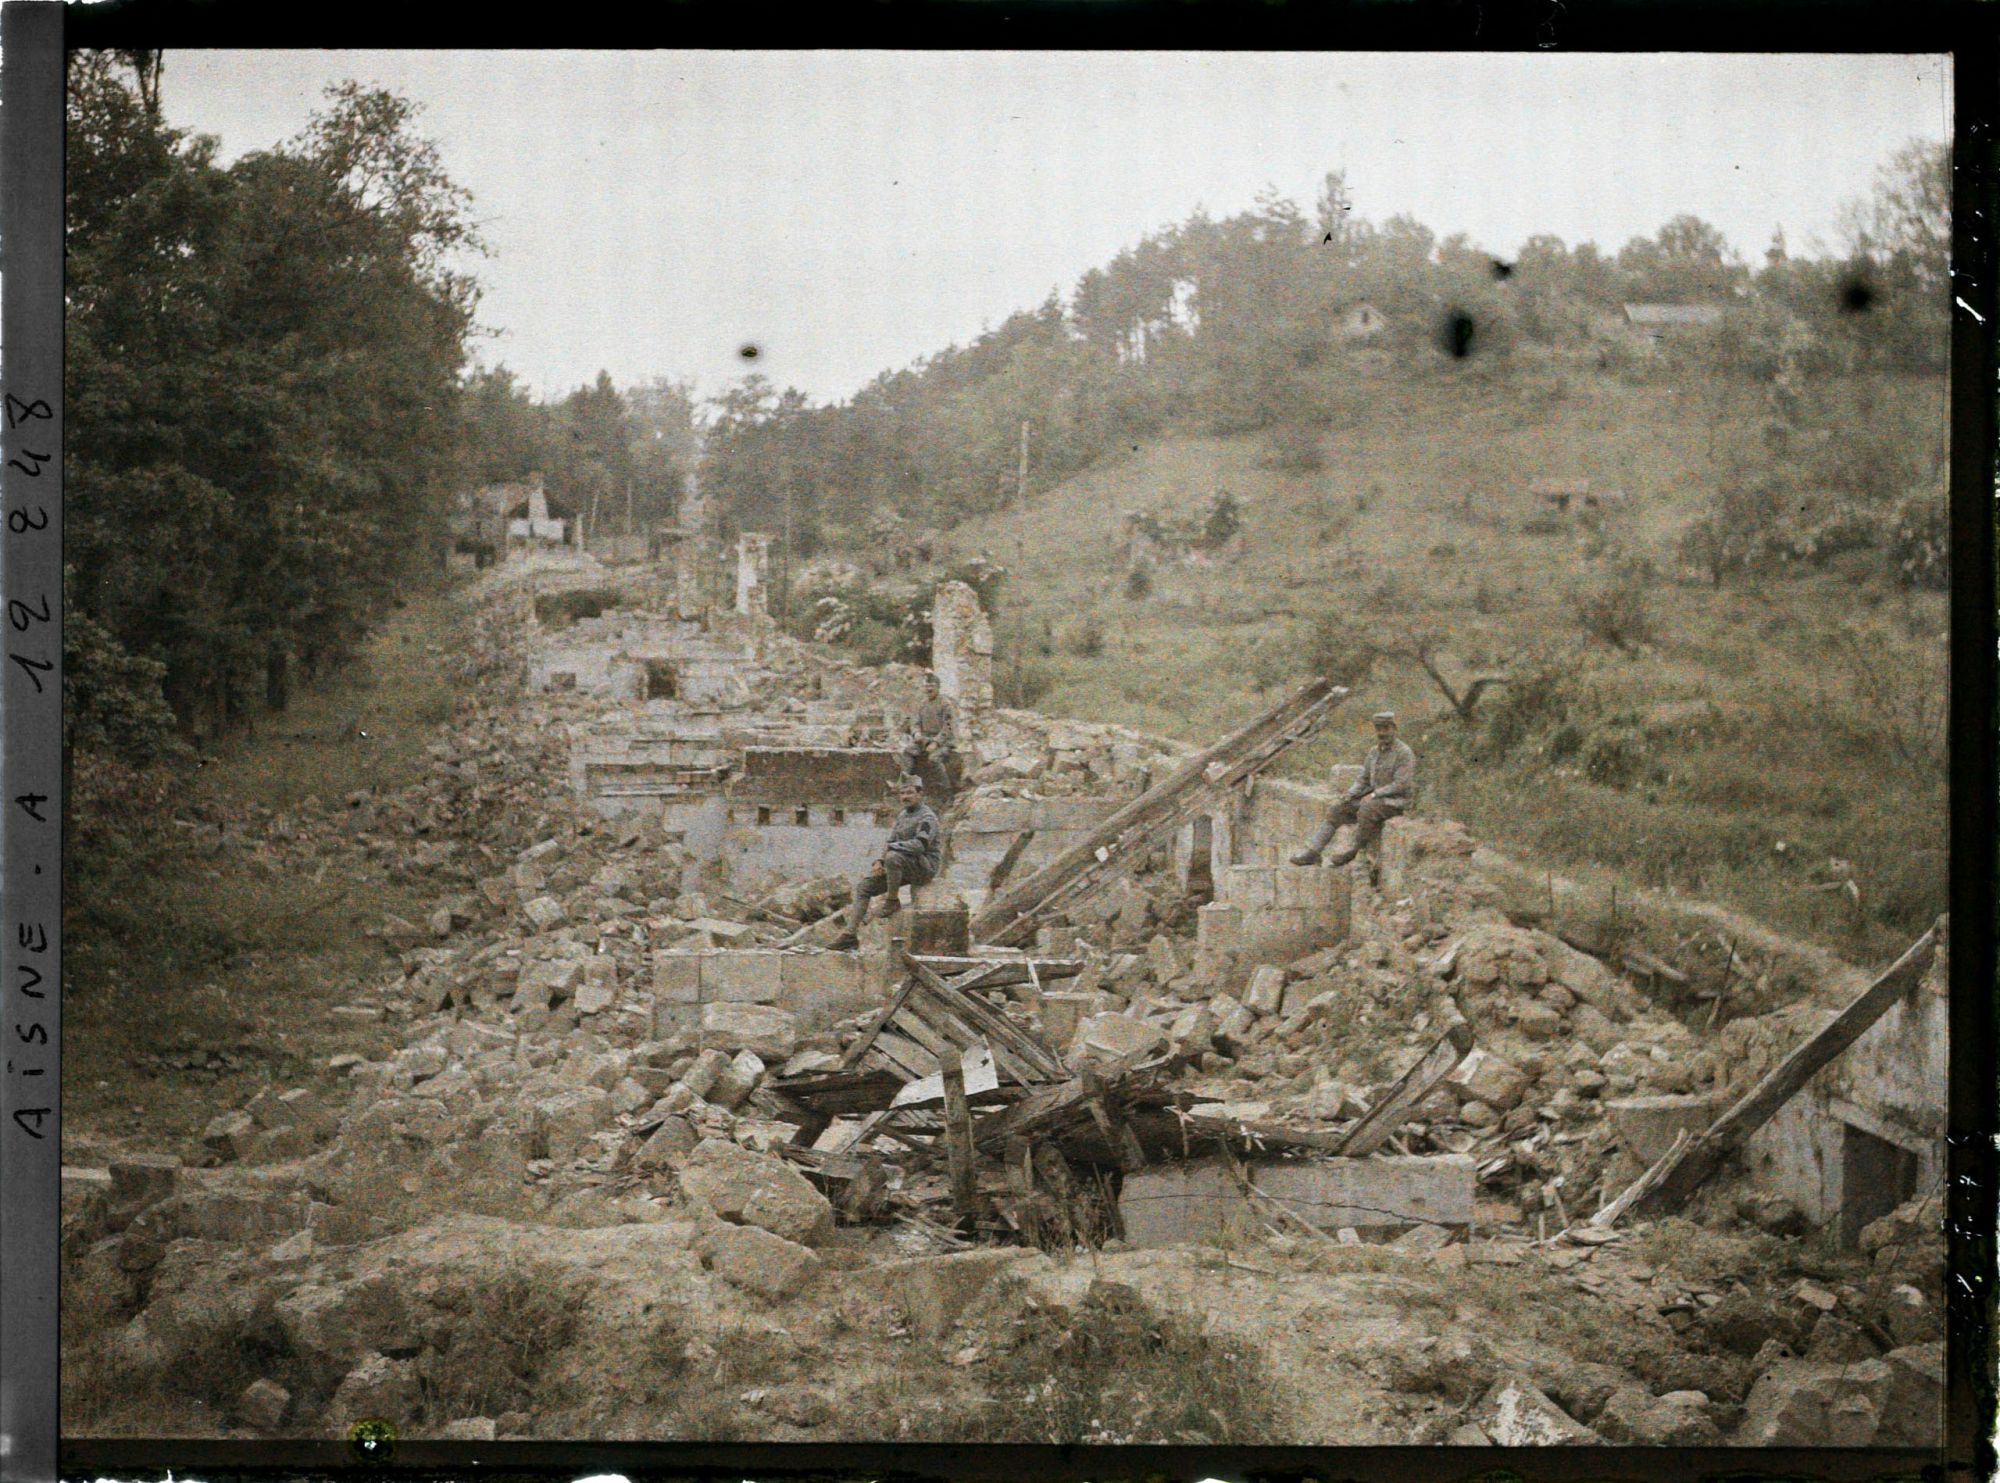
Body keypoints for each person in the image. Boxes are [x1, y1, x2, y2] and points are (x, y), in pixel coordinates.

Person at [832, 774, 943, 949]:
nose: (905, 797)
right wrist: (879, 861)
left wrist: (891, 852)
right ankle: (850, 934)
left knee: (893, 857)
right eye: (902, 793)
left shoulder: (927, 817)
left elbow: (919, 845)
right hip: (902, 865)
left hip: (924, 867)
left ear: (920, 794)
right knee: (864, 887)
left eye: (910, 793)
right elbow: (890, 841)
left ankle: (892, 901)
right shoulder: (903, 815)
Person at [1292, 711, 1415, 867]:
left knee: (1367, 808)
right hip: (1376, 800)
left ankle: (1353, 851)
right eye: (1379, 729)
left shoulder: (1404, 753)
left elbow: (1401, 784)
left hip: (1396, 802)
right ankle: (1313, 852)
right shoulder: (1374, 752)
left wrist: (1375, 794)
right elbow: (1363, 779)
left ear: (1394, 729)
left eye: (1386, 728)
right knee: (1338, 809)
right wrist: (1350, 794)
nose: (1382, 733)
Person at [901, 671, 961, 802]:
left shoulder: (946, 704)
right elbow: (915, 722)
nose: (929, 689)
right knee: (908, 751)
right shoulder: (921, 704)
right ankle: (905, 783)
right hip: (924, 740)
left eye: (932, 686)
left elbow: (948, 727)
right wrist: (916, 734)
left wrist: (936, 743)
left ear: (938, 688)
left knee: (934, 758)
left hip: (944, 742)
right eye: (926, 686)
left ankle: (947, 792)